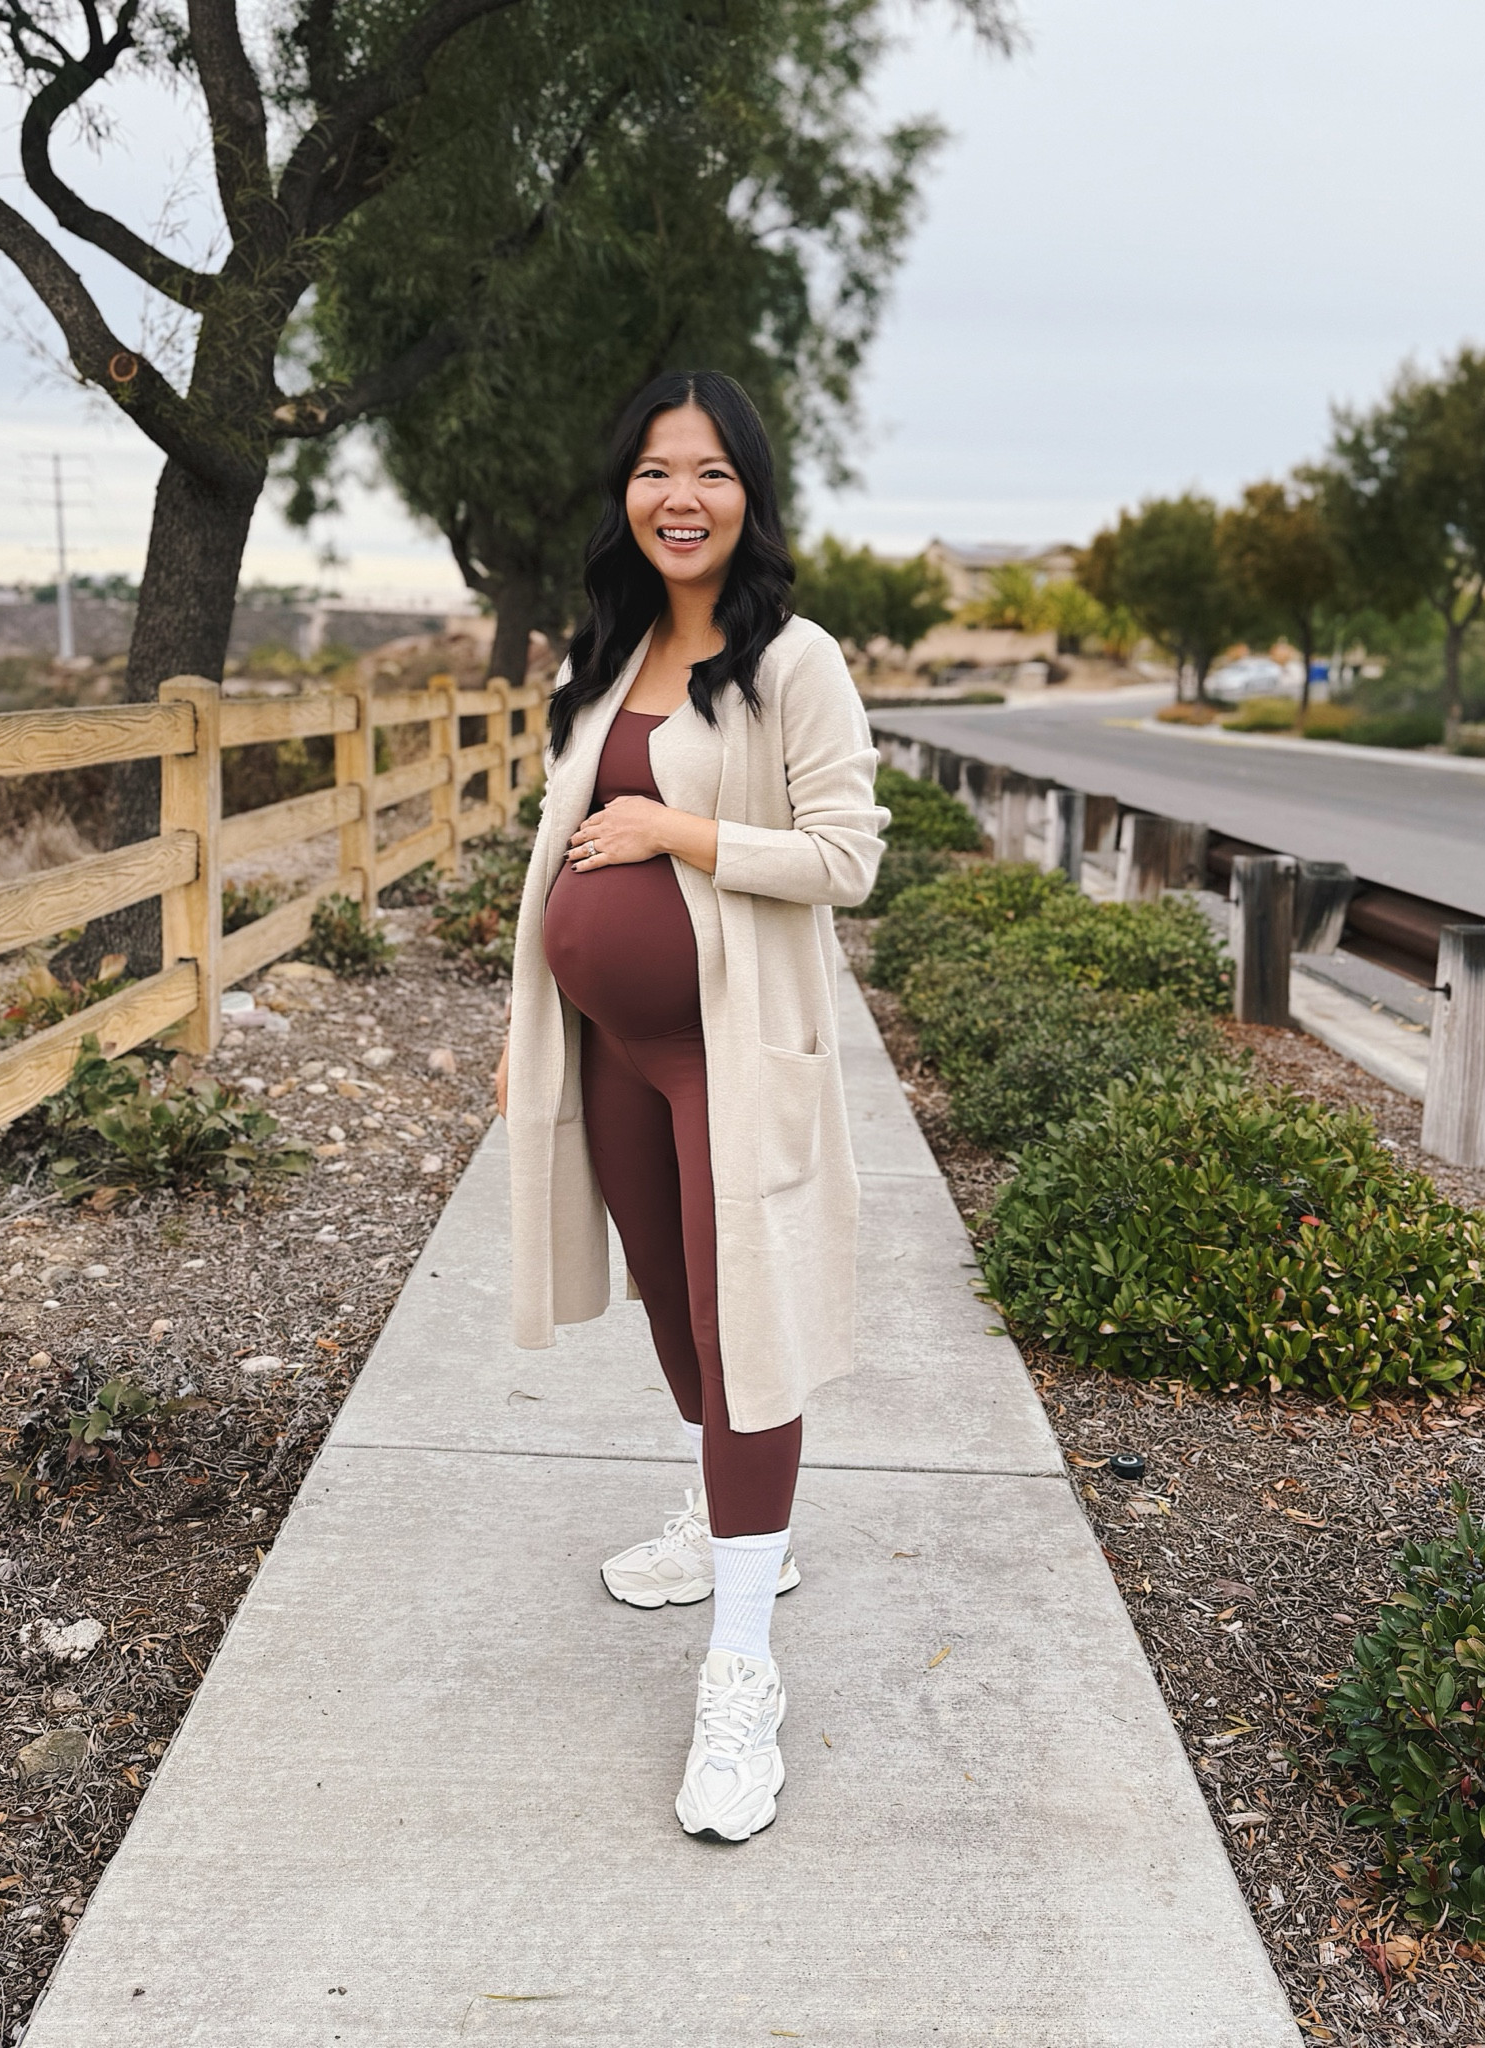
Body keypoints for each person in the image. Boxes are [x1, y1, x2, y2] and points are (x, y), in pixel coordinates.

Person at [495, 370, 886, 1843]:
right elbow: (554, 859)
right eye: (655, 470)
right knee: (672, 1316)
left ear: (749, 495)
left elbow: (846, 858)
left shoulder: (793, 662)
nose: (678, 496)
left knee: (746, 1338)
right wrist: (529, 1021)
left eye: (709, 472)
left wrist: (683, 831)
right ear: (625, 496)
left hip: (732, 1056)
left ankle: (740, 1670)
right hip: (605, 1050)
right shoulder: (606, 654)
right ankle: (735, 1534)